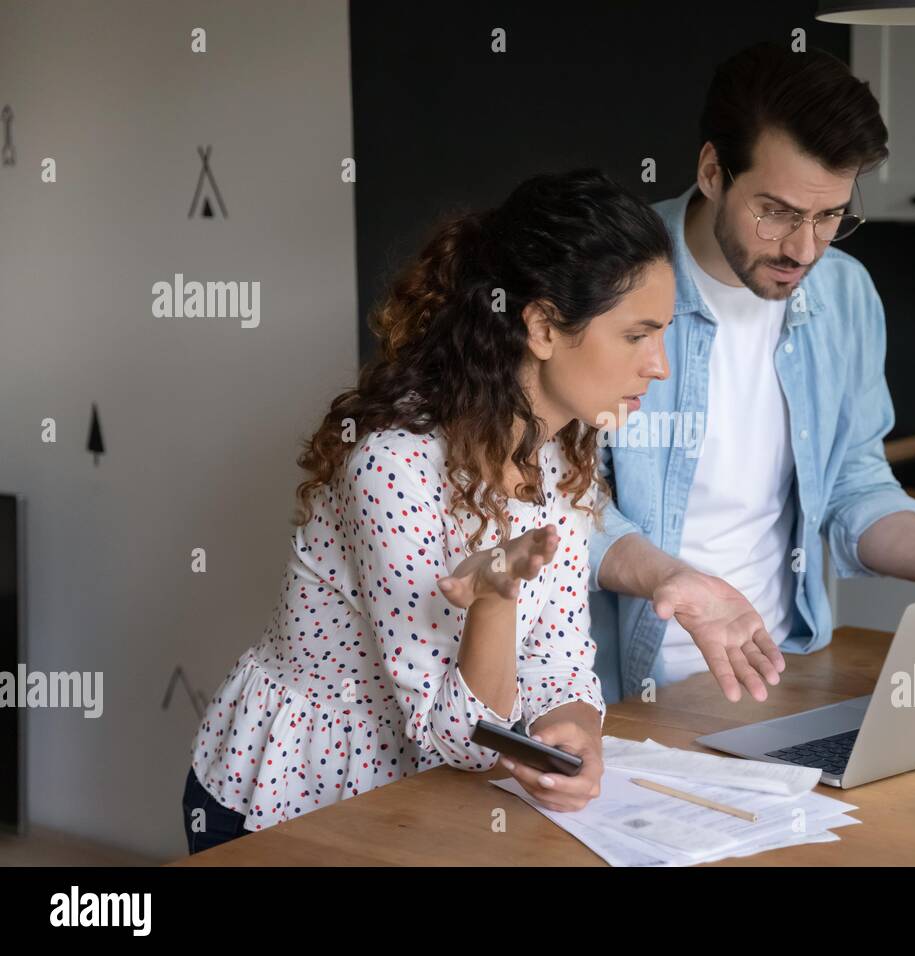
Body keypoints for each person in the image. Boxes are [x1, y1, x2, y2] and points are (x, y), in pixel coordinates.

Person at [589, 42, 915, 705]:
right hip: (621, 699)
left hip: (782, 679)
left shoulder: (845, 295)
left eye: (829, 215)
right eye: (776, 211)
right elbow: (550, 496)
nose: (804, 249)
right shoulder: (606, 281)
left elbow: (854, 482)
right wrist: (667, 577)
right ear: (714, 171)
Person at [183, 169, 674, 853]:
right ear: (540, 326)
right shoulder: (392, 465)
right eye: (637, 336)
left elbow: (559, 656)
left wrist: (576, 730)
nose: (661, 365)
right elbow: (461, 738)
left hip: (417, 795)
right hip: (291, 796)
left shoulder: (563, 459)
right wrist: (495, 600)